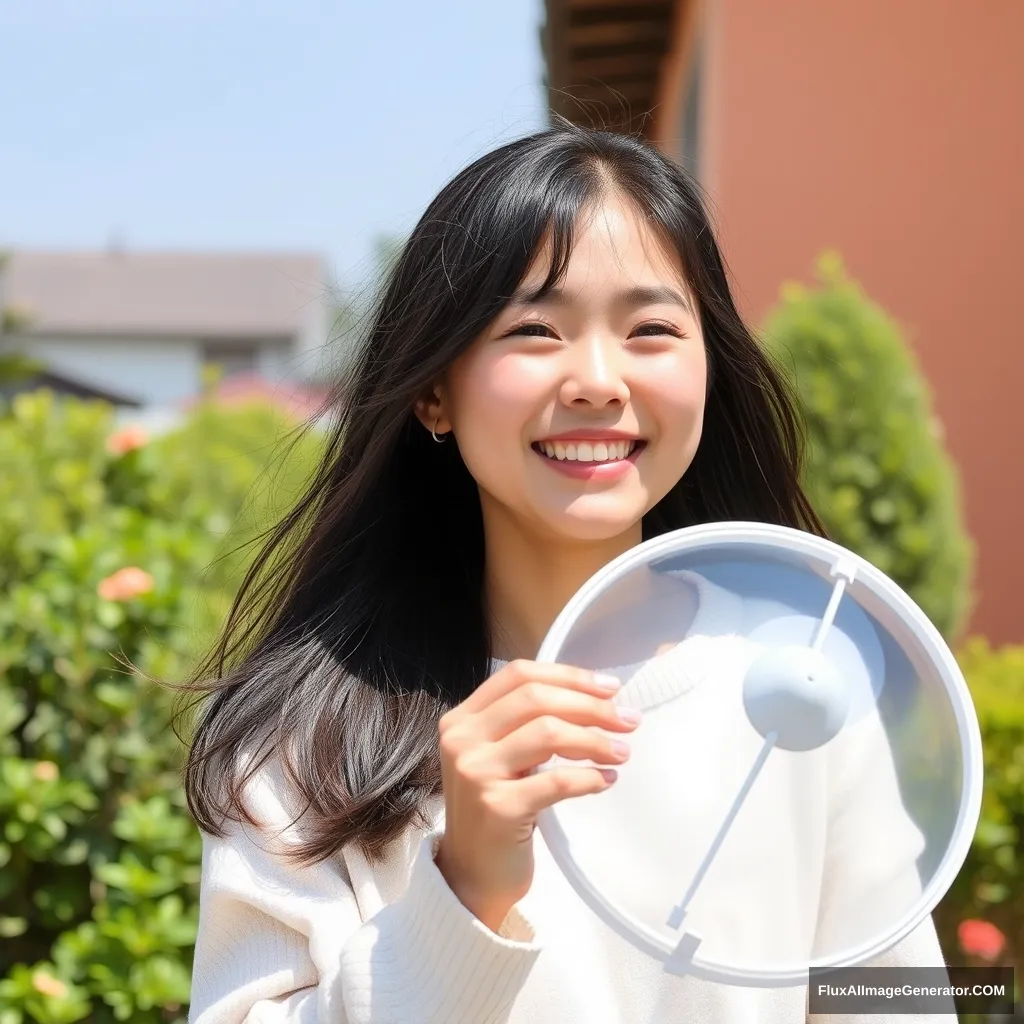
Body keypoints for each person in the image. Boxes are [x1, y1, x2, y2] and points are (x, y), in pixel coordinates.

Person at [182, 119, 952, 1022]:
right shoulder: (302, 739)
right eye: (536, 329)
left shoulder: (804, 682)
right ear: (434, 388)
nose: (597, 379)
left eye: (652, 328)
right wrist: (461, 892)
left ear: (709, 366)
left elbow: (894, 999)